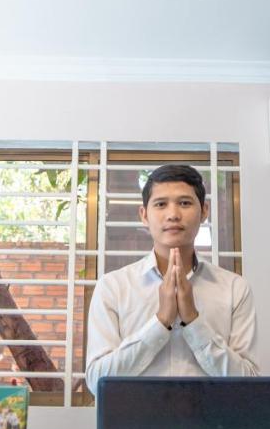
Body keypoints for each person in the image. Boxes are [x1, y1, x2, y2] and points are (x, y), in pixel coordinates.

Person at [85, 163, 258, 396]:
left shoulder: (235, 288)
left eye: (185, 203)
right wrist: (161, 321)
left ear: (204, 211)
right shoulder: (113, 287)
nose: (173, 214)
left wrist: (193, 320)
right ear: (144, 215)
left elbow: (250, 385)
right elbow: (97, 382)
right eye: (160, 204)